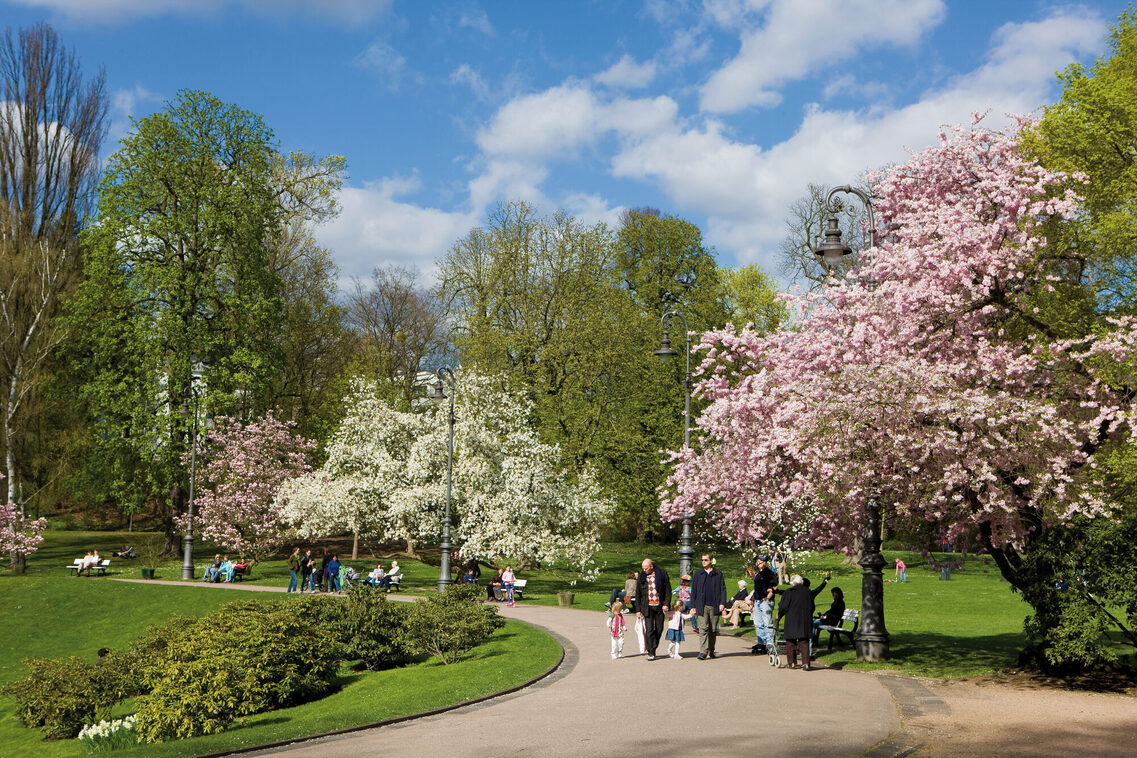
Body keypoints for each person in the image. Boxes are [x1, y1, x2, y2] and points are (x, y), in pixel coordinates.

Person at [691, 552, 726, 660]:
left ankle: (711, 650)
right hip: (702, 605)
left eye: (705, 560)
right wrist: (693, 605)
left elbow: (722, 589)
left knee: (713, 630)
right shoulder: (698, 574)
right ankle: (703, 651)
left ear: (711, 561)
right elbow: (694, 591)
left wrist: (722, 603)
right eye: (702, 560)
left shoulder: (718, 574)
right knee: (703, 628)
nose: (703, 562)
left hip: (714, 605)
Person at [776, 574, 815, 670]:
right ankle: (806, 663)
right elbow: (812, 606)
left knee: (790, 641)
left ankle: (792, 662)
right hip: (805, 619)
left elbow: (783, 606)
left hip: (791, 618)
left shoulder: (789, 592)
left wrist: (779, 616)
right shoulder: (808, 592)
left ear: (792, 583)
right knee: (804, 641)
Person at [635, 558, 671, 660]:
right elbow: (638, 594)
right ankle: (651, 652)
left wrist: (667, 604)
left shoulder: (662, 574)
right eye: (643, 568)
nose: (644, 570)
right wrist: (638, 610)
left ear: (651, 566)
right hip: (647, 607)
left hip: (659, 606)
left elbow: (668, 590)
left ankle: (653, 646)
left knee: (659, 629)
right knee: (649, 630)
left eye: (646, 568)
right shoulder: (642, 577)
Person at [750, 556, 779, 665]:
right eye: (757, 561)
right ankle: (761, 642)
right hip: (757, 601)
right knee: (758, 623)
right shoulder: (759, 574)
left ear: (765, 563)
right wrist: (753, 600)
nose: (758, 563)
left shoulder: (769, 573)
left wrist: (768, 597)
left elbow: (774, 587)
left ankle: (770, 643)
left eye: (760, 562)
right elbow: (756, 587)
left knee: (767, 623)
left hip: (765, 601)